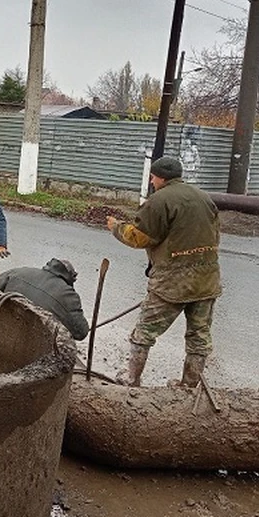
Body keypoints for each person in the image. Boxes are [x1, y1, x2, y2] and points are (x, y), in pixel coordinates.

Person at [105, 156, 221, 387]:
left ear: (160, 177)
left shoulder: (159, 201)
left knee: (145, 331)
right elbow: (215, 235)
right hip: (207, 280)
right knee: (199, 337)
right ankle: (188, 386)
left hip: (172, 282)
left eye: (153, 176)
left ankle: (131, 378)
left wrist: (116, 227)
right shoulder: (204, 198)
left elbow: (140, 237)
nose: (151, 180)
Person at [0, 258, 89, 341]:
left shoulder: (17, 272)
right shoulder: (69, 295)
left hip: (1, 328)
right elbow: (81, 333)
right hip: (32, 342)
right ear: (70, 278)